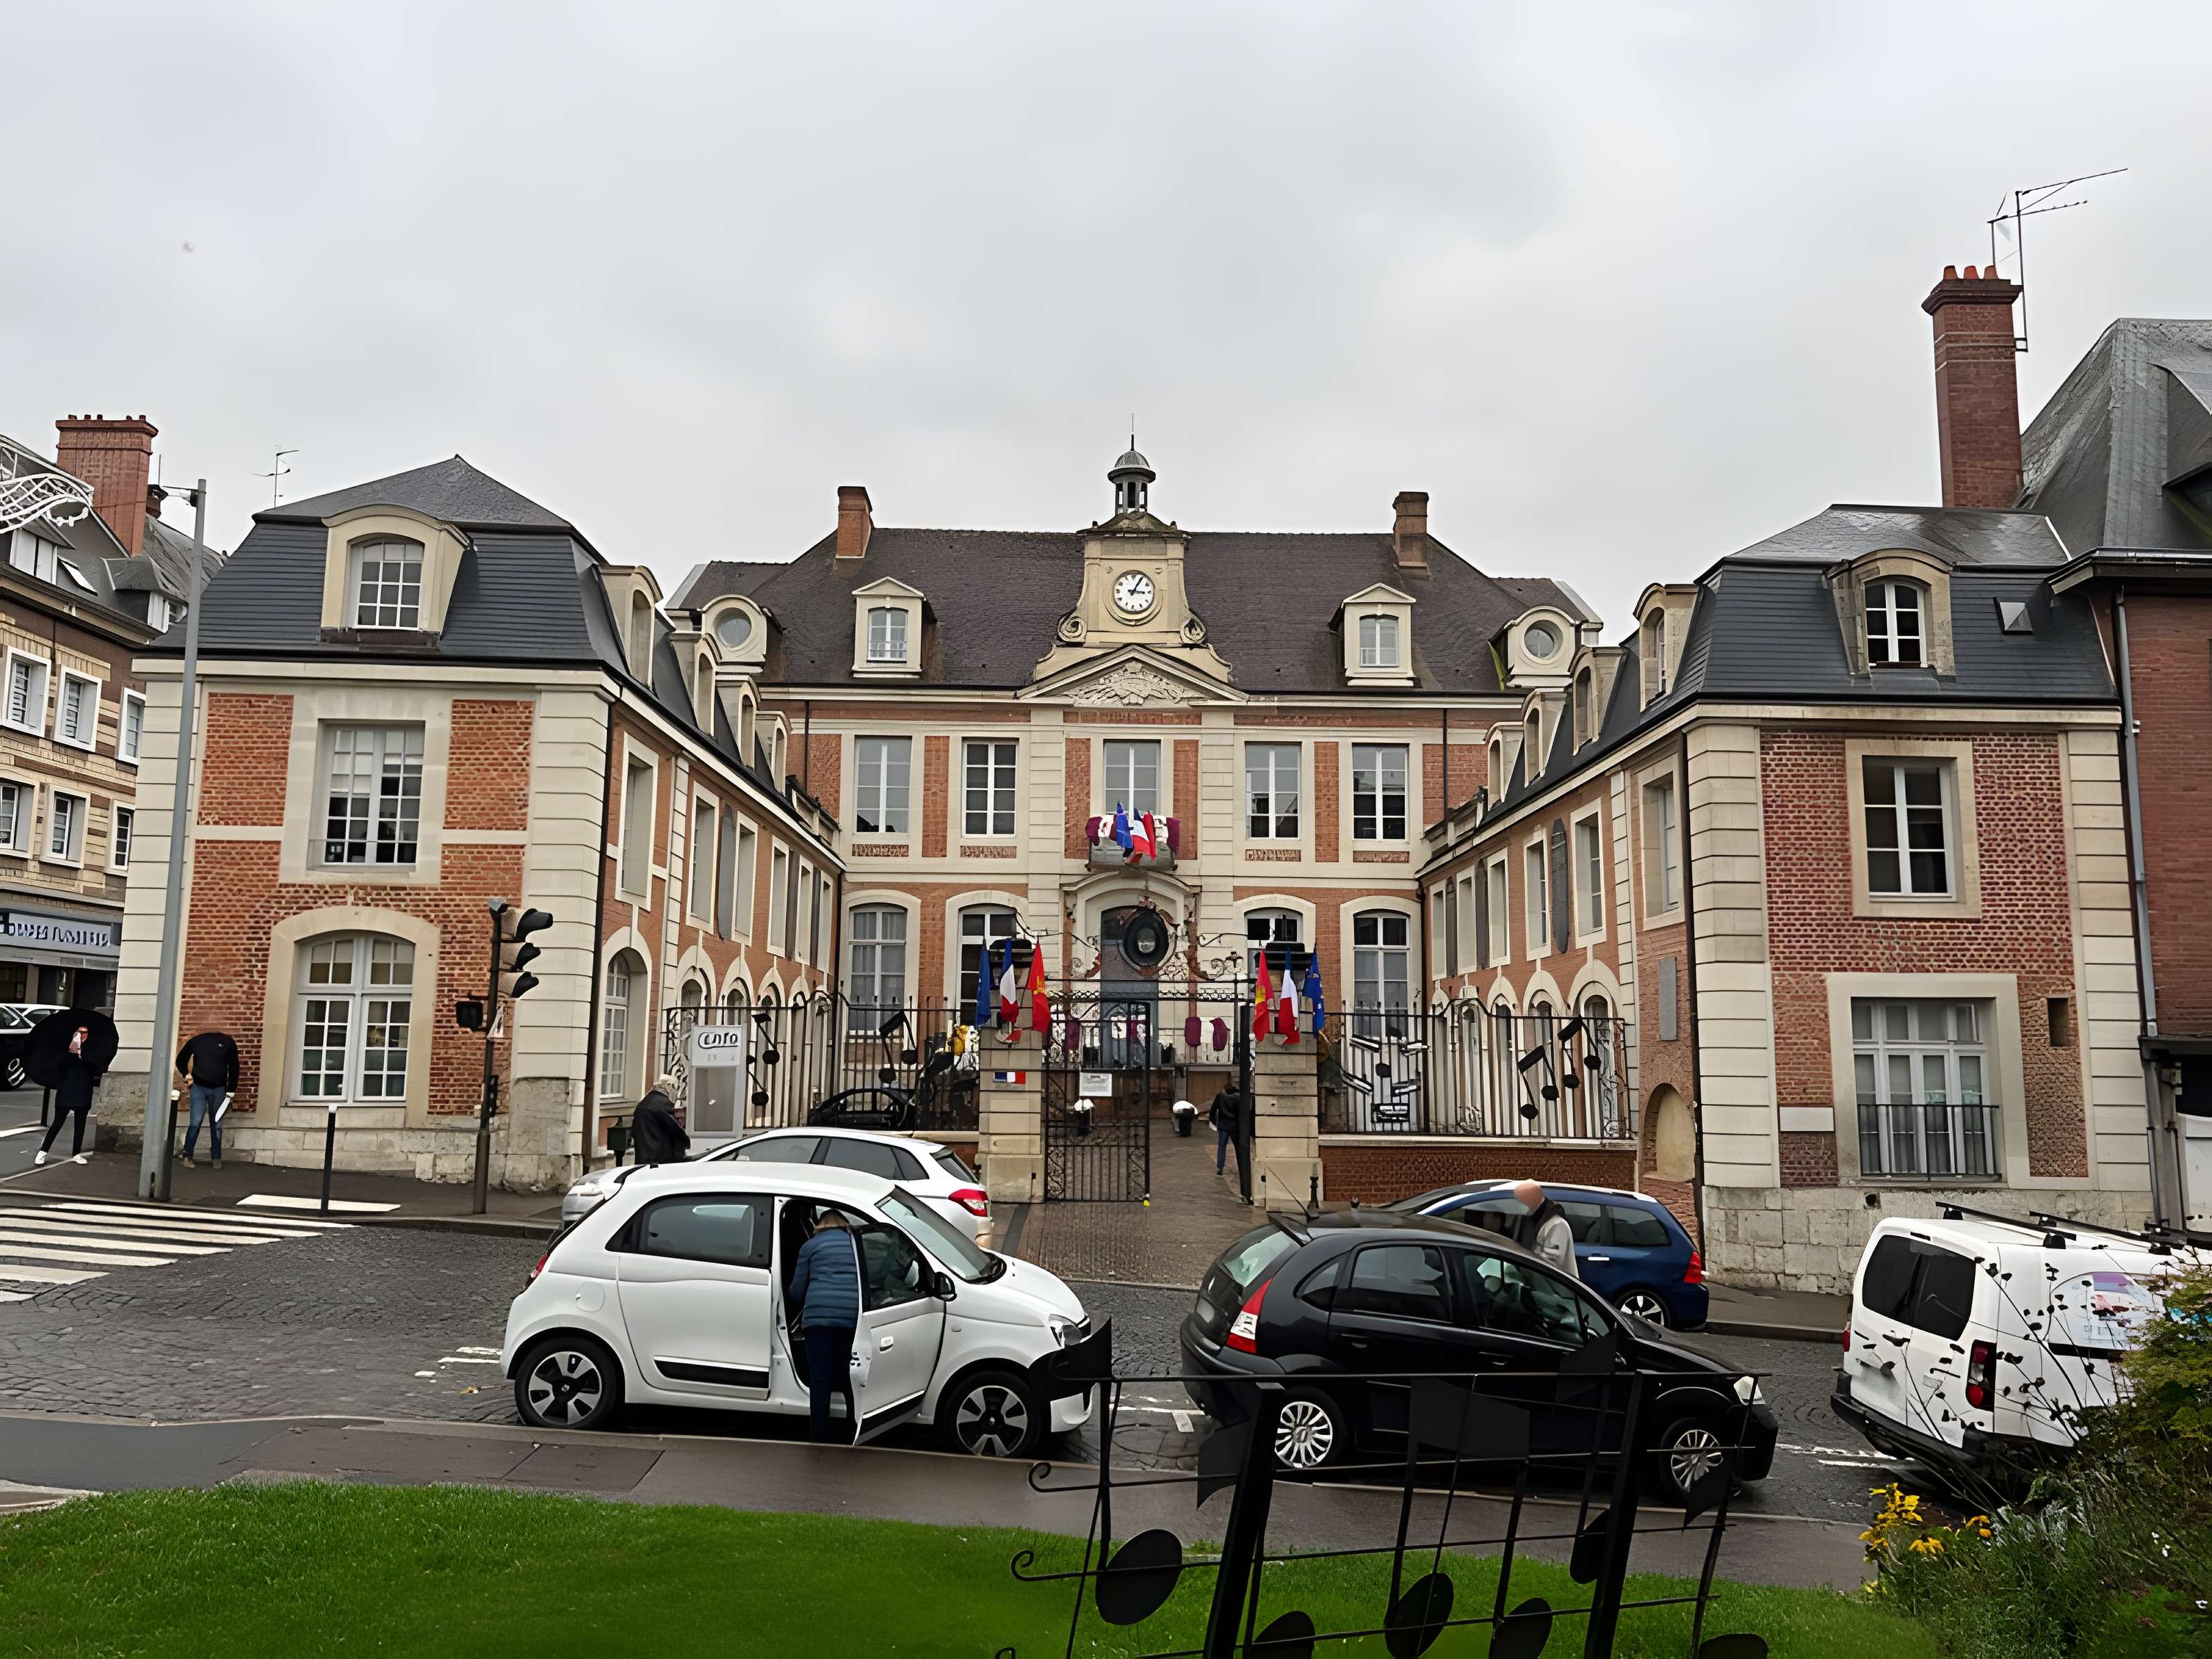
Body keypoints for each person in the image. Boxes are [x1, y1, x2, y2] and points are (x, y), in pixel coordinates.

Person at [787, 1208, 862, 1444]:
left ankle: (819, 1437)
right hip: (852, 1321)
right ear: (844, 1225)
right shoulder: (857, 1245)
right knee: (851, 1376)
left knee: (820, 1381)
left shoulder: (811, 1246)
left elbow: (797, 1292)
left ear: (820, 1225)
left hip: (818, 1322)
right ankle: (853, 1430)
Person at [33, 1024, 102, 1167]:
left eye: (85, 1032)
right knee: (58, 1121)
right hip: (66, 1088)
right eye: (79, 1032)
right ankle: (43, 1151)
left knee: (80, 1122)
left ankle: (76, 1153)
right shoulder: (65, 1048)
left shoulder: (93, 1049)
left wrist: (82, 1055)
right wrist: (71, 1052)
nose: (82, 1035)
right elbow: (58, 1067)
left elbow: (97, 1067)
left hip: (83, 1088)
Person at [175, 1029, 239, 1170]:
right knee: (201, 1123)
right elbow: (235, 1067)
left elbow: (234, 1067)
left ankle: (213, 1157)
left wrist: (230, 1091)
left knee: (208, 1123)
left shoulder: (222, 1042)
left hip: (217, 1088)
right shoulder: (221, 1042)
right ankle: (191, 1155)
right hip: (201, 1087)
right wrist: (186, 1074)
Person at [1511, 1179, 1579, 1280]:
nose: (1520, 1204)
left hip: (1558, 1288)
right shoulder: (1536, 1219)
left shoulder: (1556, 1225)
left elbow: (1551, 1262)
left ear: (1530, 1199)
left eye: (1521, 1200)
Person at [629, 1076, 691, 1165]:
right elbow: (674, 1128)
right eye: (676, 1089)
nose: (676, 1094)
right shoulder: (663, 1103)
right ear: (671, 1087)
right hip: (660, 1157)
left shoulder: (643, 1103)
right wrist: (688, 1141)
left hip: (643, 1155)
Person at [1208, 1083, 1243, 1177]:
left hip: (1223, 1125)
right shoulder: (1239, 1098)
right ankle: (1241, 1167)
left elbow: (1213, 1110)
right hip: (1235, 1126)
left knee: (1222, 1147)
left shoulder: (1220, 1097)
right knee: (1238, 1148)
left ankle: (1220, 1168)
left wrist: (1214, 1122)